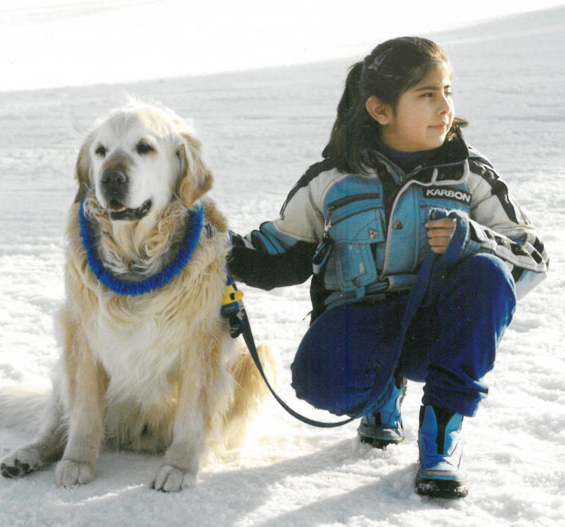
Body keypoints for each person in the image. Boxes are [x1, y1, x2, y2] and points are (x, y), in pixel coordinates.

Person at [227, 37, 548, 499]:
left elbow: (534, 257)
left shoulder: (470, 175)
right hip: (360, 323)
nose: (446, 107)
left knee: (487, 274)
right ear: (380, 110)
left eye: (448, 91)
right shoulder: (331, 179)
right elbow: (281, 252)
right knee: (319, 382)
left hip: (437, 329)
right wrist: (218, 247)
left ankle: (442, 433)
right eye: (427, 94)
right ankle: (381, 394)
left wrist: (474, 238)